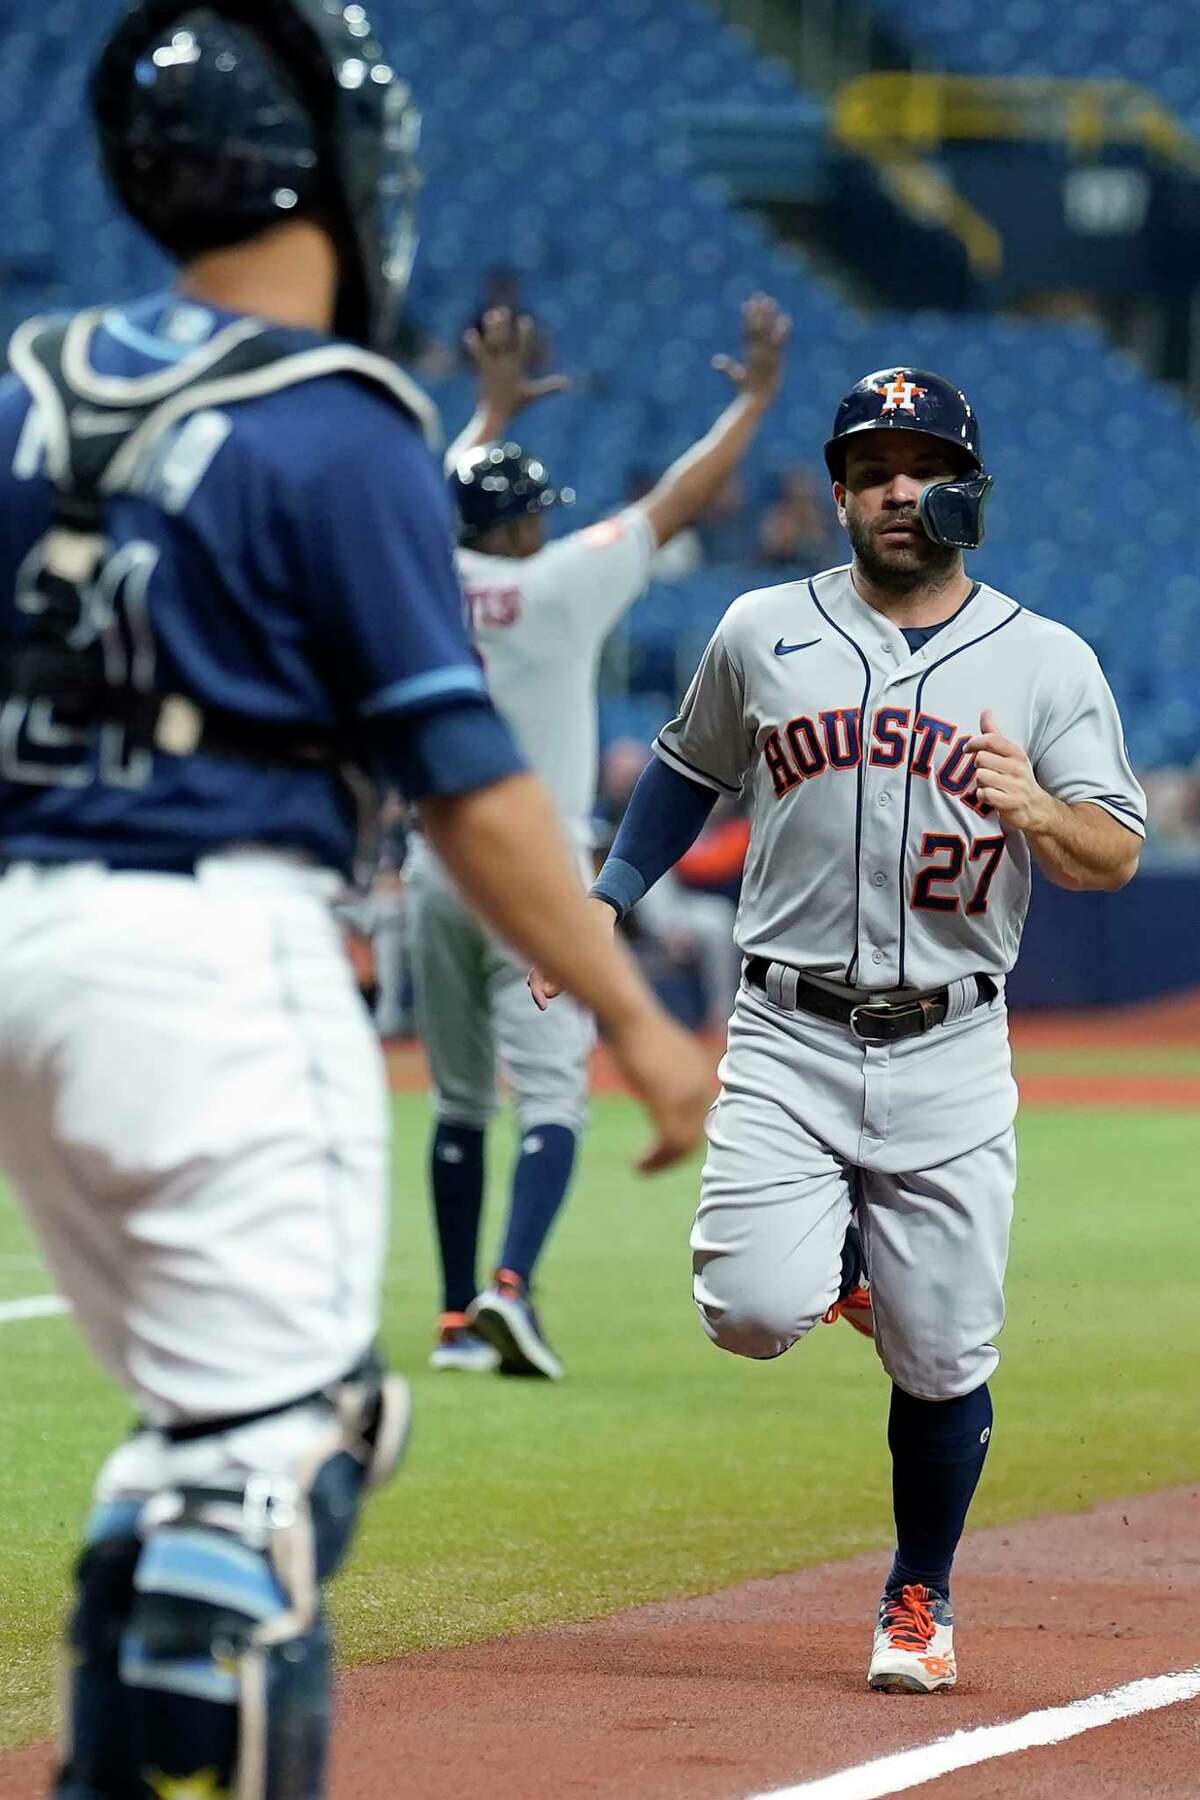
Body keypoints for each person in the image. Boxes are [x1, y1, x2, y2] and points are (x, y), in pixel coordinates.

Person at [0, 5, 710, 1795]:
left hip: (24, 948)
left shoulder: (26, 377)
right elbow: (460, 781)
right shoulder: (335, 423)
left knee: (190, 1447)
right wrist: (633, 1016)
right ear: (335, 170)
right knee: (281, 1451)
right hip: (215, 960)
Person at [533, 366, 1145, 1692]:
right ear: (840, 495)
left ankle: (917, 1594)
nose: (899, 492)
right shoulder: (762, 629)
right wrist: (601, 909)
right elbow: (687, 771)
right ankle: (843, 1256)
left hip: (952, 1043)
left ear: (969, 487)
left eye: (924, 467)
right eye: (873, 471)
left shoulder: (1045, 661)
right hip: (790, 1030)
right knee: (749, 1310)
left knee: (943, 1359)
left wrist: (1038, 808)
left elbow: (1114, 854)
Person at [408, 295, 790, 1377]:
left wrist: (481, 417)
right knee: (555, 1096)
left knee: (457, 1100)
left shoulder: (432, 576)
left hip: (435, 859)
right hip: (536, 870)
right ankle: (511, 1291)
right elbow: (678, 500)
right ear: (524, 525)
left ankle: (450, 1319)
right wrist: (754, 404)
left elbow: (434, 500)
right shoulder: (558, 584)